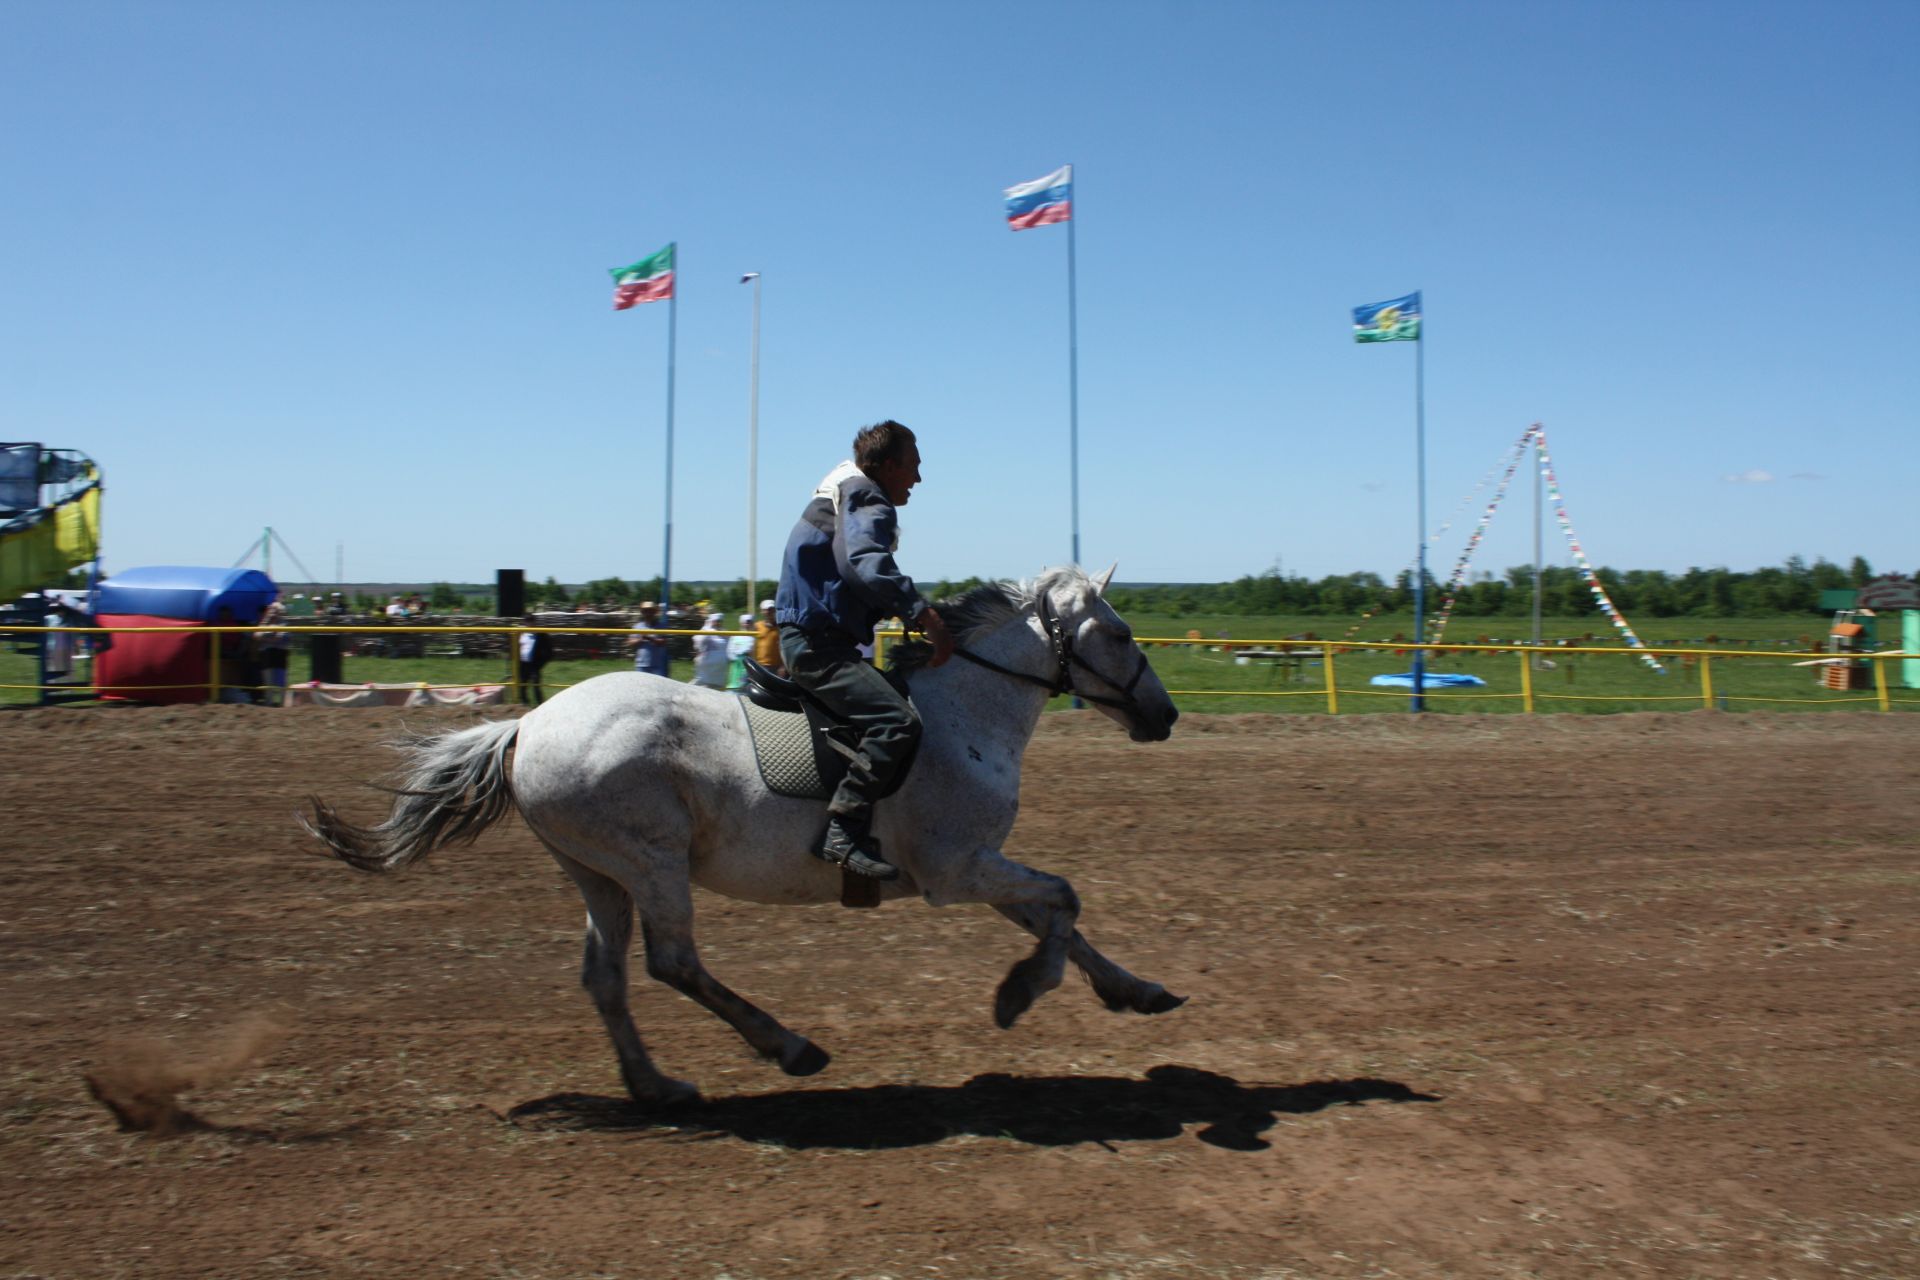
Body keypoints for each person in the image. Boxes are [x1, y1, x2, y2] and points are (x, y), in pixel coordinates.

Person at [775, 419, 953, 880]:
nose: (918, 478)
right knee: (898, 722)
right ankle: (843, 830)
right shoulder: (866, 493)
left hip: (810, 634)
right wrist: (922, 613)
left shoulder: (843, 489)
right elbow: (861, 563)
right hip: (818, 645)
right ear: (890, 465)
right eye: (913, 465)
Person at [254, 602, 292, 705]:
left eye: (276, 610)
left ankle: (282, 703)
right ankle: (269, 703)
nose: (273, 612)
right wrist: (271, 634)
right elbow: (257, 636)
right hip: (267, 654)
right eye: (271, 610)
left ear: (280, 612)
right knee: (268, 680)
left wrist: (266, 637)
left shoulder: (284, 623)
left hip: (280, 653)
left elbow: (280, 637)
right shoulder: (264, 622)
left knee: (281, 680)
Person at [518, 612, 554, 705]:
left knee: (536, 685)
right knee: (522, 684)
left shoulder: (541, 635)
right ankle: (524, 703)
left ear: (534, 622)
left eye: (530, 621)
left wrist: (540, 664)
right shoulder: (520, 634)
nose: (528, 624)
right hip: (523, 664)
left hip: (534, 665)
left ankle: (540, 705)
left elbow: (549, 652)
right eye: (526, 621)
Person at [627, 601, 670, 677]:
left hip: (658, 664)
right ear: (642, 612)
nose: (648, 613)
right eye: (645, 611)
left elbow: (664, 642)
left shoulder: (661, 626)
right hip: (641, 664)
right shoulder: (637, 626)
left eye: (651, 611)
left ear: (655, 612)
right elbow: (630, 642)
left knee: (659, 687)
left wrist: (650, 638)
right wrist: (641, 639)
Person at [691, 610, 730, 689]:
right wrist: (706, 629)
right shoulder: (705, 630)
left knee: (716, 686)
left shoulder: (724, 631)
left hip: (720, 666)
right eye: (716, 621)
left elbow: (728, 645)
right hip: (707, 663)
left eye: (719, 621)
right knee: (702, 685)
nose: (718, 623)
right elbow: (697, 643)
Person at [752, 598, 783, 676]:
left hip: (778, 666)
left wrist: (783, 666)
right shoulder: (757, 626)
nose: (768, 612)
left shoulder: (781, 627)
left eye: (770, 609)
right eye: (765, 610)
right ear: (762, 611)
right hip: (761, 665)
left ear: (775, 610)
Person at [726, 612, 756, 689]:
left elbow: (753, 654)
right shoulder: (735, 636)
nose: (747, 624)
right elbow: (729, 651)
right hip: (735, 666)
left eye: (749, 622)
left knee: (745, 686)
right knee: (734, 685)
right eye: (745, 622)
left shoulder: (754, 637)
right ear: (741, 623)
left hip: (747, 666)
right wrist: (736, 658)